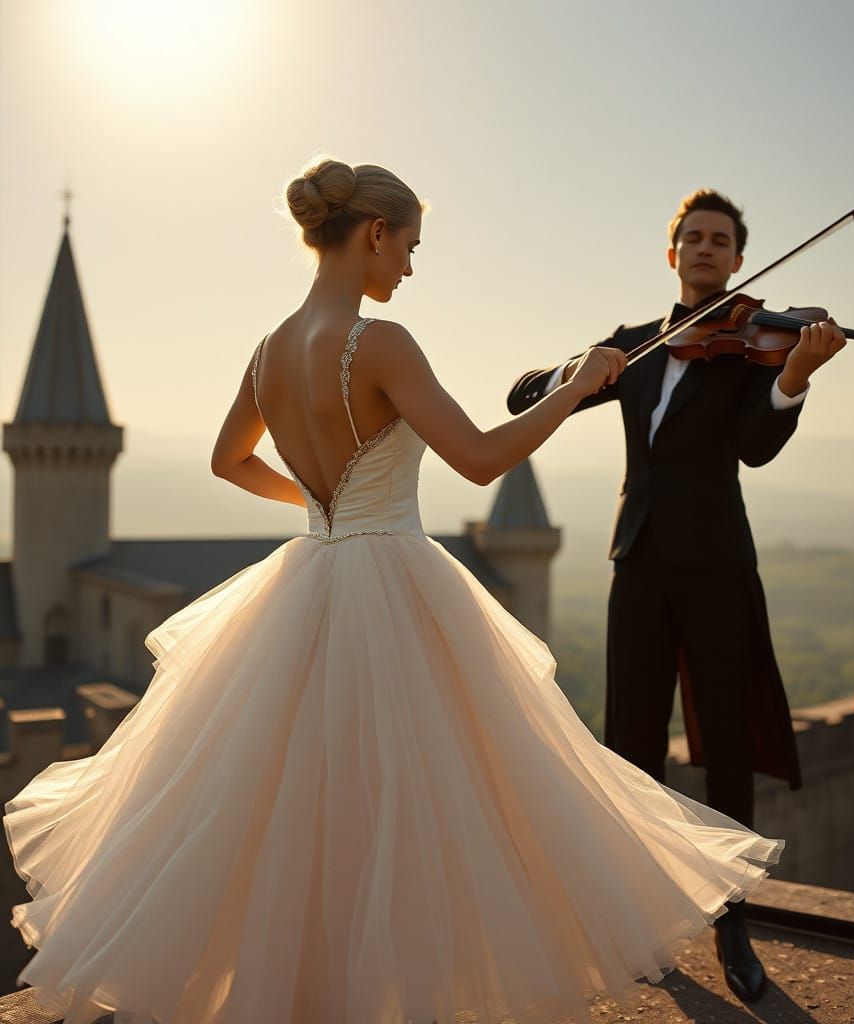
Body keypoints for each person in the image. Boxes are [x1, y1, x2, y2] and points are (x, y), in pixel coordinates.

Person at [5, 162, 787, 1024]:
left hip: (311, 573)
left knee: (290, 804)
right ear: (375, 234)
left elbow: (229, 462)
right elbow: (483, 457)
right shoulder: (382, 342)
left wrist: (321, 501)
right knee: (420, 806)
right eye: (410, 246)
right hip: (392, 580)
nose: (410, 268)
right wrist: (574, 391)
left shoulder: (268, 351)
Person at [506, 189, 846, 1003]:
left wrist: (793, 376)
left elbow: (756, 448)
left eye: (719, 240)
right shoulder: (636, 346)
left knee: (725, 747)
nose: (704, 249)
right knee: (630, 744)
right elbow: (523, 397)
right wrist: (575, 371)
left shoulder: (750, 347)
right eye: (691, 237)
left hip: (719, 566)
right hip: (638, 563)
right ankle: (637, 917)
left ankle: (732, 922)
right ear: (673, 255)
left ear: (737, 259)